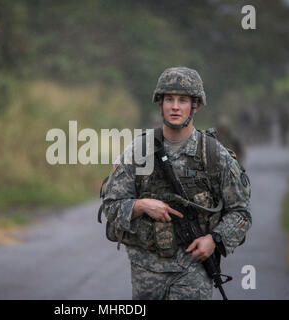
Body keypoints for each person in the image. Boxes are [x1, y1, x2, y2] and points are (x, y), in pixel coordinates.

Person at [101, 67, 252, 300]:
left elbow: (241, 213)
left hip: (194, 270)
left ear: (195, 106)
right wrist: (141, 205)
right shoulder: (138, 152)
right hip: (146, 273)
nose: (174, 106)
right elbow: (111, 206)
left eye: (183, 100)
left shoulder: (213, 155)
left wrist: (214, 240)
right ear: (159, 104)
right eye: (169, 99)